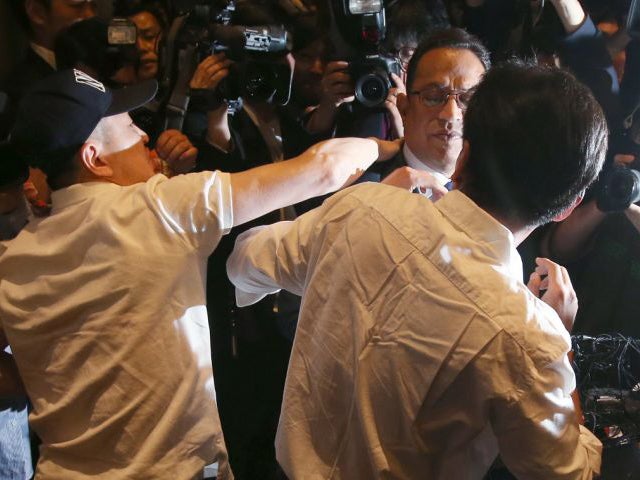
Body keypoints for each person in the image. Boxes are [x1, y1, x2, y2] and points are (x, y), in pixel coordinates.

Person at [0, 68, 397, 479]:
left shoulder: (13, 258)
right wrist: (386, 145)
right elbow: (326, 169)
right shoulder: (157, 209)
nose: (143, 136)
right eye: (130, 126)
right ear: (94, 159)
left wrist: (50, 372)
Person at [227, 62, 607, 479]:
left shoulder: (362, 207)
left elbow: (243, 263)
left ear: (464, 156)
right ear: (567, 205)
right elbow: (571, 473)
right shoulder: (529, 337)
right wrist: (561, 343)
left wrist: (365, 209)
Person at [369, 27, 490, 196]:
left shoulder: (503, 194)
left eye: (468, 100)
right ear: (404, 109)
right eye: (433, 97)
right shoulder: (364, 186)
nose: (451, 115)